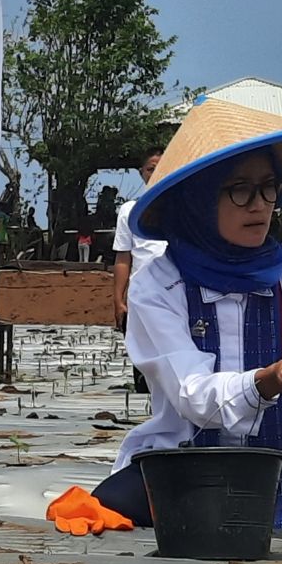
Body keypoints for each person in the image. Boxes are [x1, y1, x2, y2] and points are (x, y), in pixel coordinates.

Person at [52, 97, 282, 535]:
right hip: (181, 456)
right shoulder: (157, 285)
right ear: (196, 199)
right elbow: (192, 396)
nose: (260, 205)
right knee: (102, 519)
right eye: (240, 190)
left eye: (268, 187)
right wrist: (267, 381)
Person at [112, 146, 166, 394]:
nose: (155, 173)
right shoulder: (129, 211)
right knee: (142, 347)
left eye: (160, 167)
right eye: (150, 169)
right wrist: (118, 299)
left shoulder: (181, 205)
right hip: (141, 292)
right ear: (141, 173)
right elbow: (124, 257)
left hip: (175, 289)